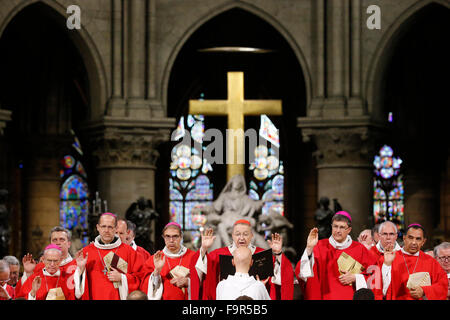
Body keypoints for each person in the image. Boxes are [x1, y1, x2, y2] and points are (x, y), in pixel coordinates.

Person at [190, 219, 294, 300]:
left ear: (252, 235)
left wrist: (278, 254)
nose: (241, 238)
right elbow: (200, 272)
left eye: (245, 234)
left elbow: (284, 275)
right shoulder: (217, 254)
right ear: (232, 236)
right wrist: (203, 249)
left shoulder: (262, 255)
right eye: (237, 234)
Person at [295, 211, 377, 300]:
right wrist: (309, 248)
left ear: (349, 230)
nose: (338, 231)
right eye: (335, 226)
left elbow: (375, 276)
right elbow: (302, 273)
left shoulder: (359, 249)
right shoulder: (319, 246)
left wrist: (356, 278)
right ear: (331, 226)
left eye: (342, 227)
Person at [74, 212, 144, 300]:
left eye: (110, 227)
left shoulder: (129, 252)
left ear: (115, 229)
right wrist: (80, 270)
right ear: (98, 228)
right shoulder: (86, 252)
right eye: (103, 226)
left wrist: (122, 278)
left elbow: (140, 279)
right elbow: (77, 289)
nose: (106, 230)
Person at [379, 224, 448, 300]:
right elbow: (381, 289)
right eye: (410, 238)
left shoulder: (430, 261)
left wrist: (424, 291)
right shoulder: (389, 258)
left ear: (423, 241)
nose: (414, 242)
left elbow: (443, 284)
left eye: (418, 239)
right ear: (404, 238)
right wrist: (387, 265)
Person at [140, 222, 195, 300]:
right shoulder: (154, 259)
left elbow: (204, 281)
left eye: (175, 236)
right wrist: (157, 271)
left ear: (181, 237)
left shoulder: (193, 257)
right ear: (163, 237)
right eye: (167, 236)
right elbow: (144, 286)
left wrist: (188, 282)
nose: (171, 240)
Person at [16, 226, 77, 296]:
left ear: (69, 244)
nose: (58, 243)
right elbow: (24, 294)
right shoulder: (40, 266)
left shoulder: (76, 266)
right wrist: (28, 273)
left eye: (62, 239)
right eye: (54, 240)